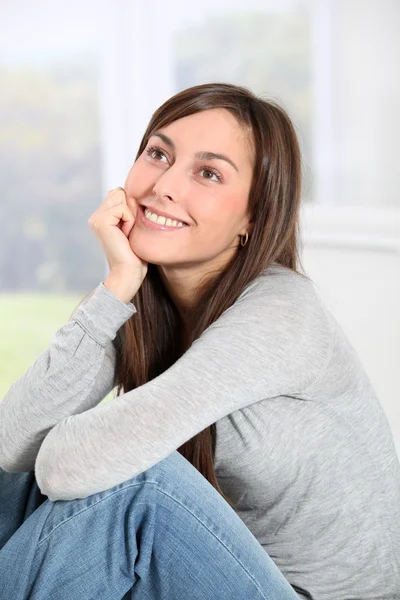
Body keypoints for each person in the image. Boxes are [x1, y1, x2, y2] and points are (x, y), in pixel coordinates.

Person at [0, 82, 399, 600]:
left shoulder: (281, 313)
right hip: (208, 574)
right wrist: (116, 285)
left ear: (253, 218)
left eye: (208, 173)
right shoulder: (138, 298)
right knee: (15, 486)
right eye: (158, 153)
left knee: (136, 485)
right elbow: (16, 444)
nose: (165, 185)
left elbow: (67, 465)